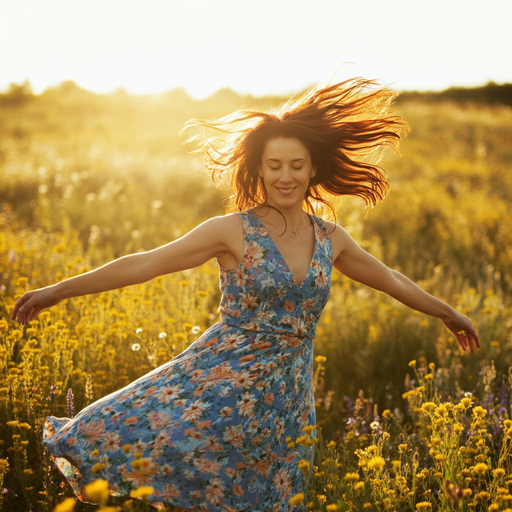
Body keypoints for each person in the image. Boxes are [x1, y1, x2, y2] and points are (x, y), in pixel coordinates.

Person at [11, 77, 480, 512]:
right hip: (219, 389)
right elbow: (146, 263)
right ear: (259, 168)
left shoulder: (331, 238)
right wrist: (59, 290)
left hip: (287, 404)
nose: (285, 176)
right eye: (274, 165)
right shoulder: (233, 231)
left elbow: (392, 279)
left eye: (297, 165)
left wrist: (447, 313)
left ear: (313, 168)